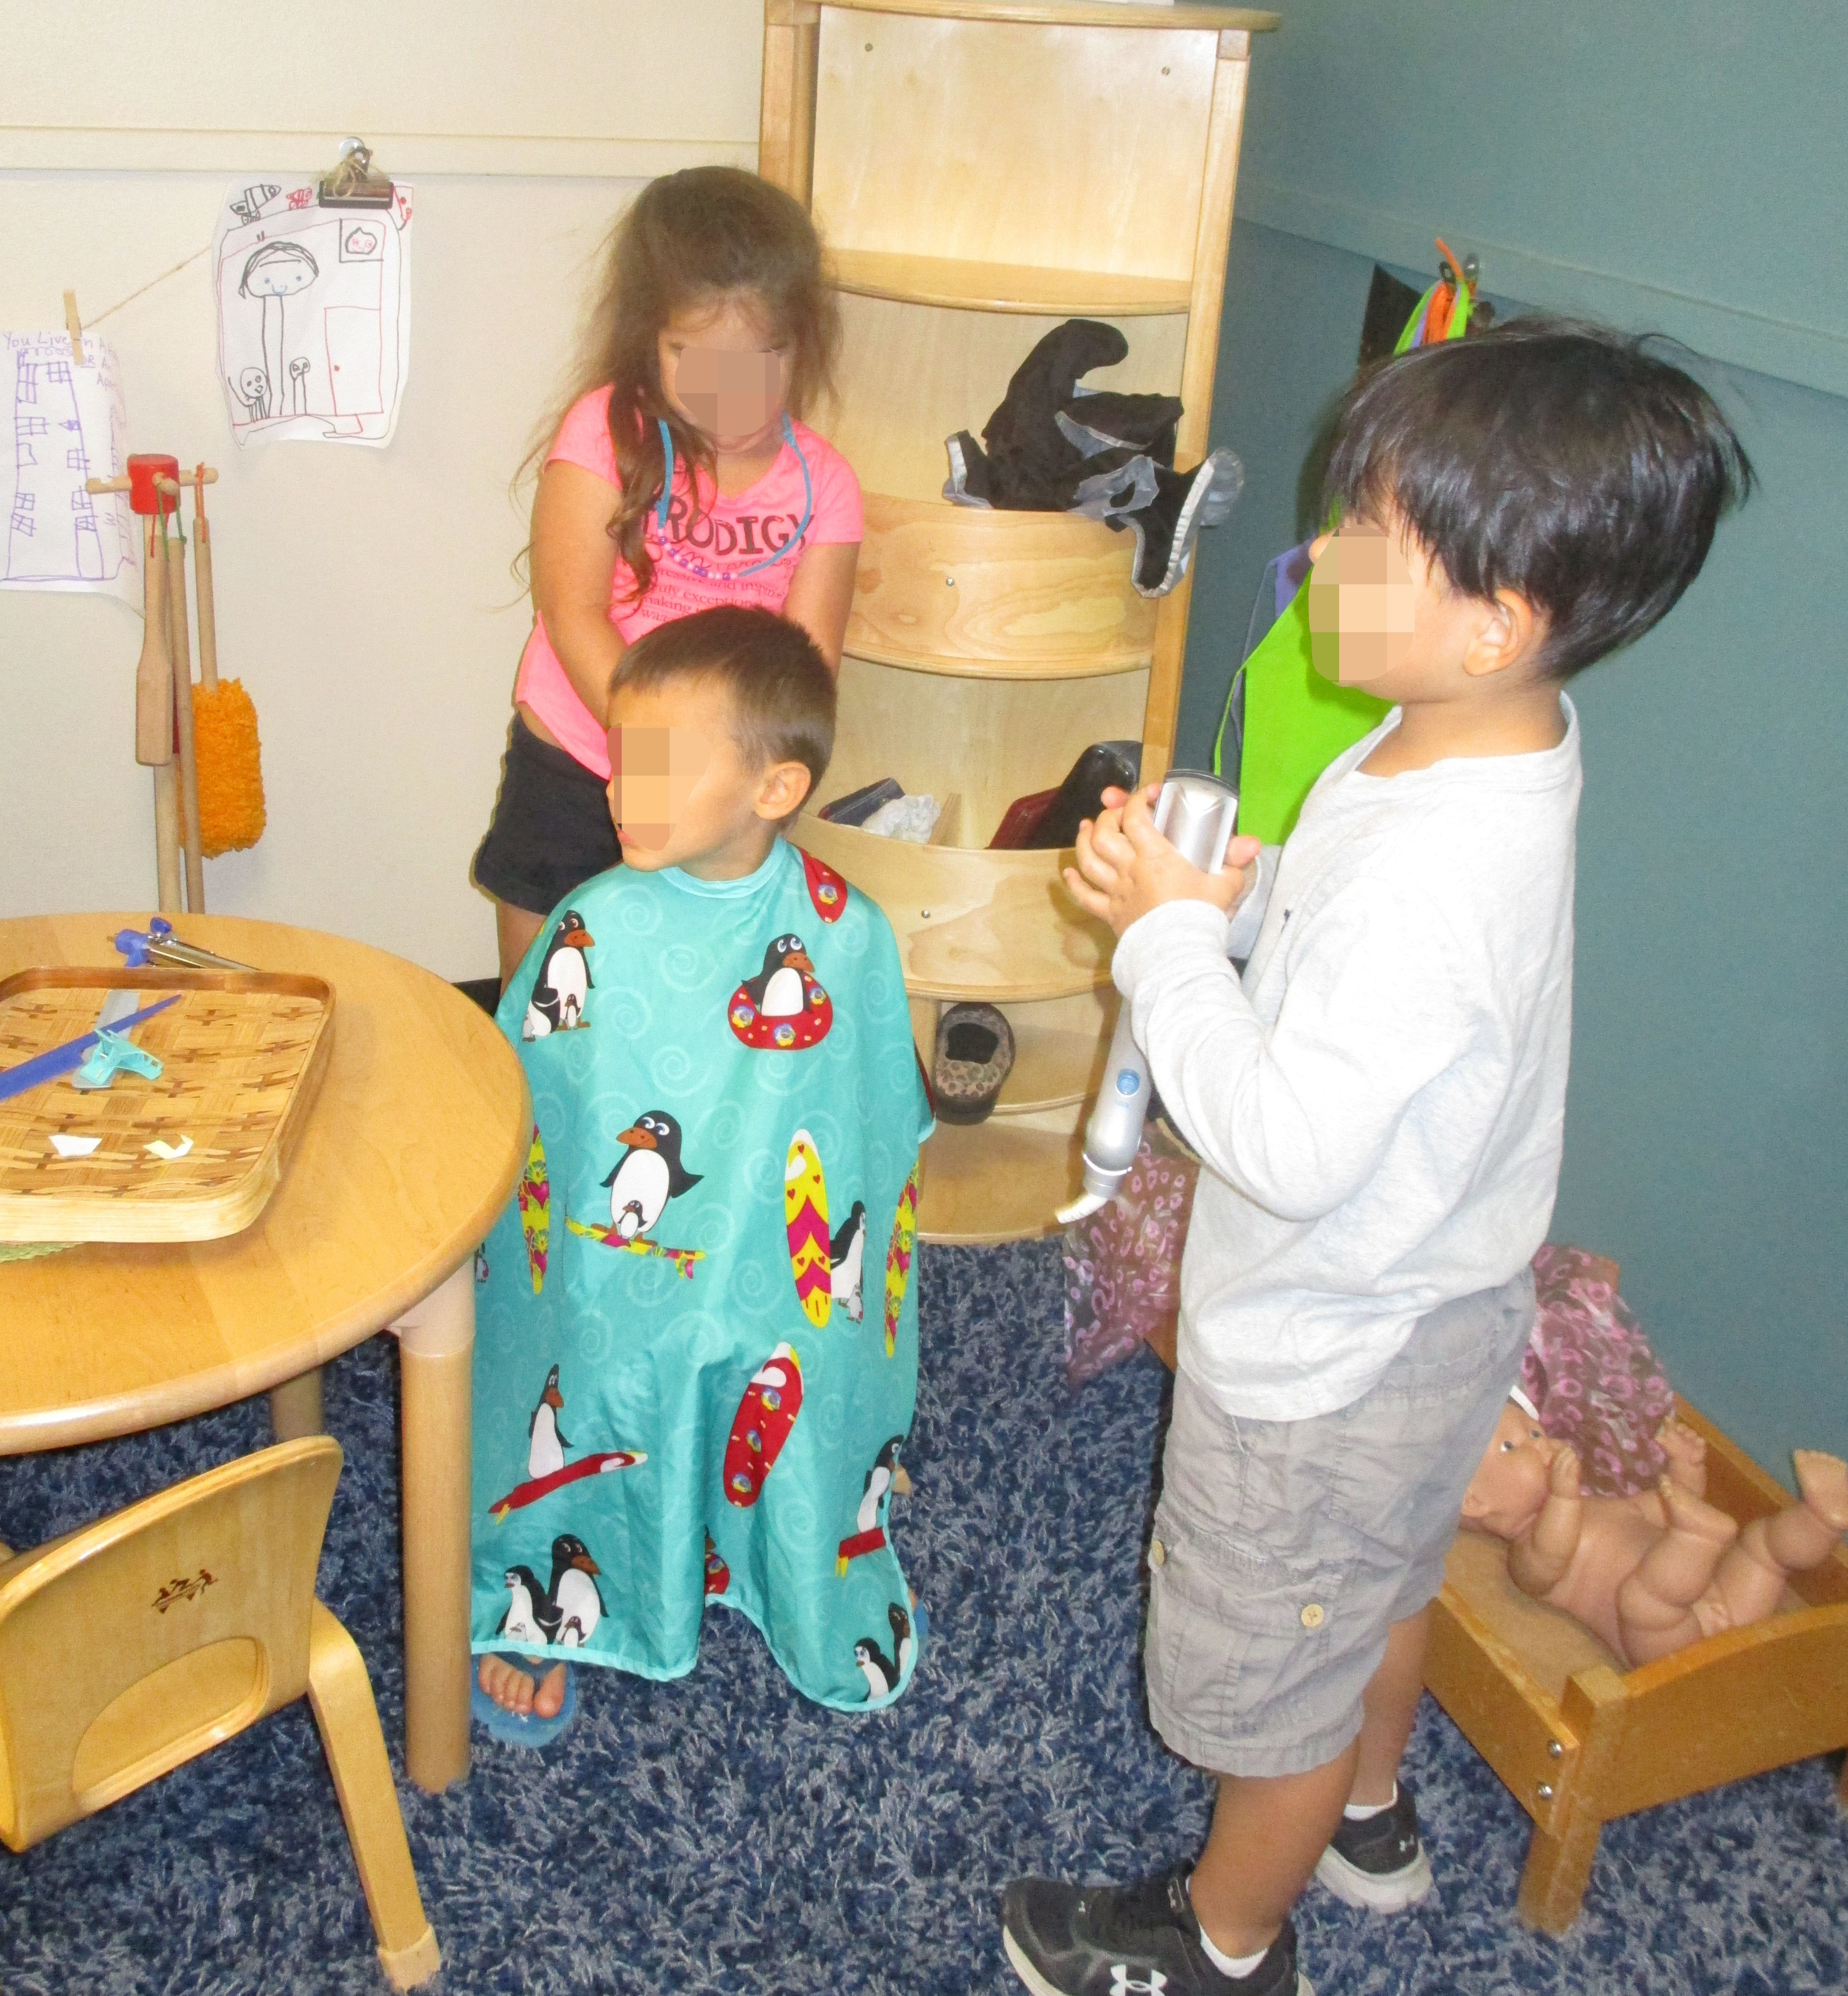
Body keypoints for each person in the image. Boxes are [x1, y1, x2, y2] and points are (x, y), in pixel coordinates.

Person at [1001, 319, 1752, 1996]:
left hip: (1323, 1357)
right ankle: (1371, 1812)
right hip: (1435, 1318)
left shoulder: (1437, 867)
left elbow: (1275, 1135)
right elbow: (1367, 974)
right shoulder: (1476, 735)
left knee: (1271, 1675)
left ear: (1493, 619)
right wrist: (1242, 903)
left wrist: (1167, 951)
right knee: (1381, 1586)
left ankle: (1222, 1939)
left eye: (1364, 537)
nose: (1318, 553)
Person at [470, 606, 930, 1742]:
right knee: (596, 1353)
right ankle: (554, 1592)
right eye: (622, 758)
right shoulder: (590, 924)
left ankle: (813, 1517)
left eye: (665, 764)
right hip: (610, 1257)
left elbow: (875, 1138)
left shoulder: (849, 936)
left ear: (775, 790)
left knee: (800, 1348)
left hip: (782, 1263)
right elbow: (531, 1122)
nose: (623, 789)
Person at [473, 165, 862, 989]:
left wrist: (710, 781)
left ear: (801, 341)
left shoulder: (825, 487)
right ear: (650, 335)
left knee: (678, 1000)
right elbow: (571, 612)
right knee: (547, 1006)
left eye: (755, 358)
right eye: (694, 355)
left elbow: (806, 673)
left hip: (720, 791)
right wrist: (652, 760)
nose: (726, 390)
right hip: (576, 763)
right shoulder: (603, 432)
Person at [1462, 1398, 1848, 1668]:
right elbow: (1546, 1565)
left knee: (1763, 1546)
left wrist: (1685, 1467)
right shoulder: (1527, 1551)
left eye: (1535, 1434)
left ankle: (1822, 1519)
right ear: (1475, 1502)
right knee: (1641, 1599)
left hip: (1722, 1606)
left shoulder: (1605, 1508)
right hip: (1663, 1645)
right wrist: (1563, 1497)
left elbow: (1670, 1506)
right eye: (1513, 1447)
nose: (1540, 1446)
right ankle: (1696, 1541)